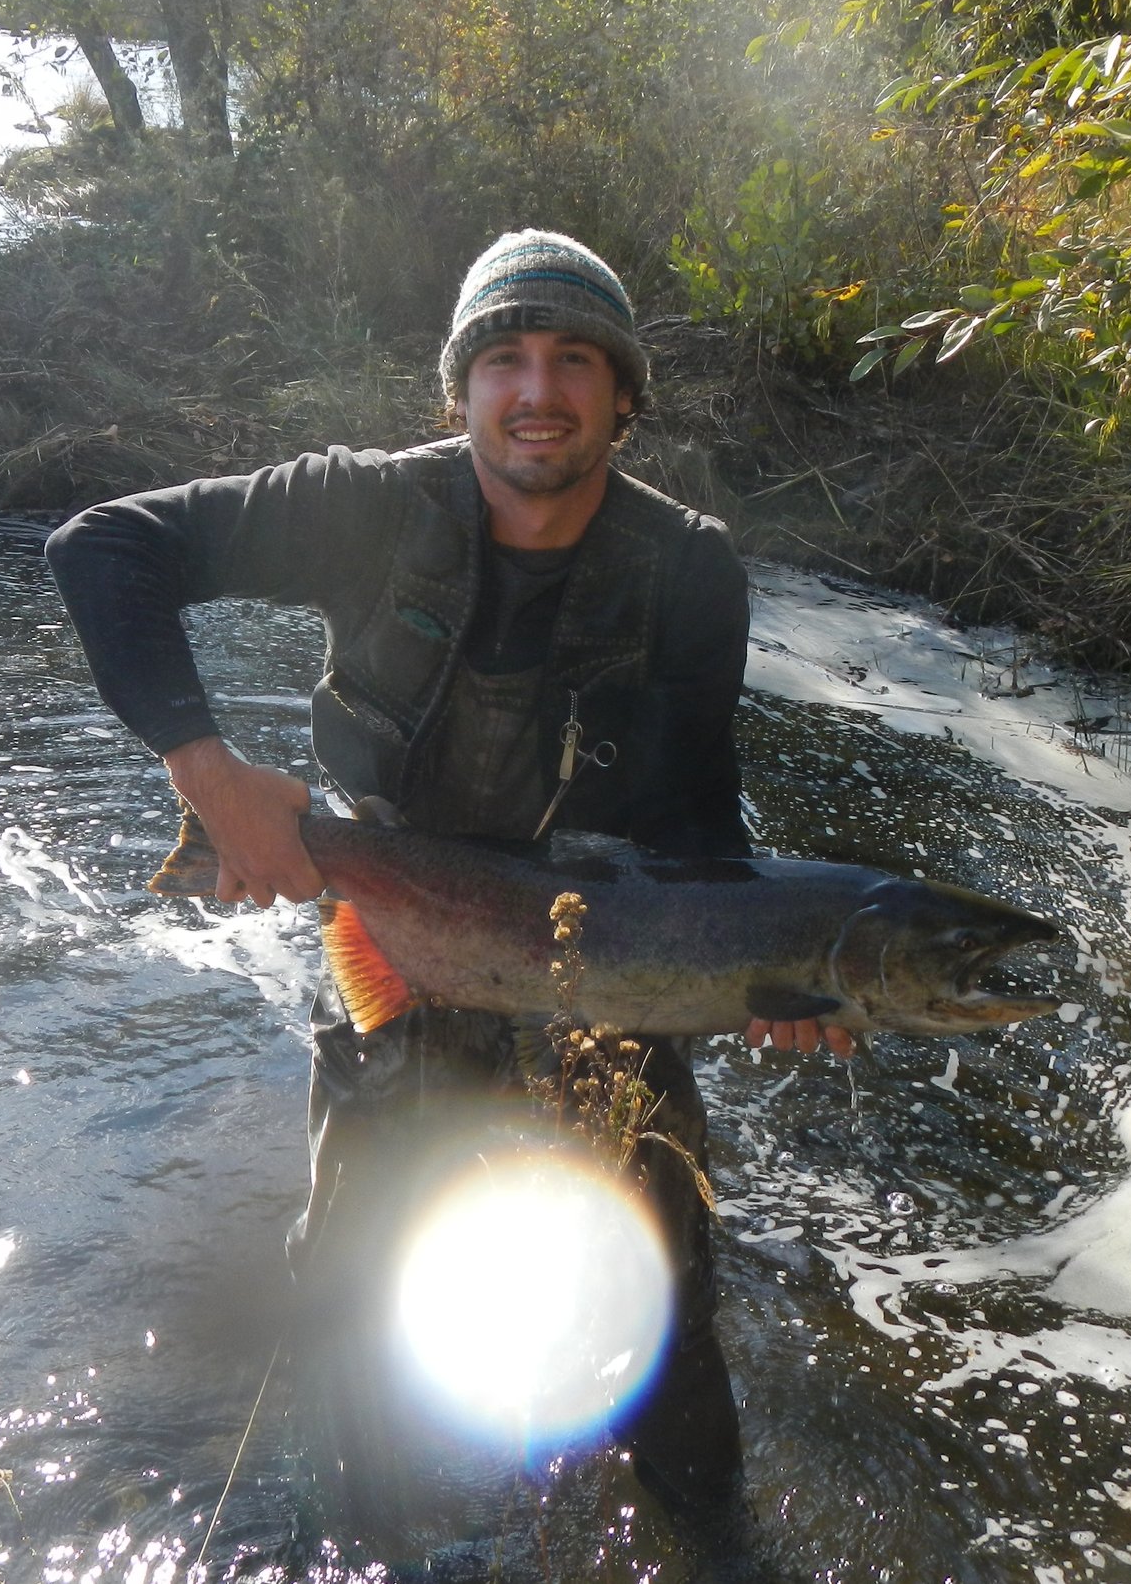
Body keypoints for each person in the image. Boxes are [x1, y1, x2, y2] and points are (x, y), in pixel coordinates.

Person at [44, 229, 846, 1564]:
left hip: (601, 966)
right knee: (354, 1285)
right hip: (394, 934)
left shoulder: (692, 566)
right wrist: (215, 776)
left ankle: (709, 1544)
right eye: (506, 361)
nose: (539, 390)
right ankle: (366, 1543)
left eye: (575, 360)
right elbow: (101, 547)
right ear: (462, 391)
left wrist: (774, 975)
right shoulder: (361, 503)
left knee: (665, 1298)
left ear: (624, 395)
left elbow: (701, 820)